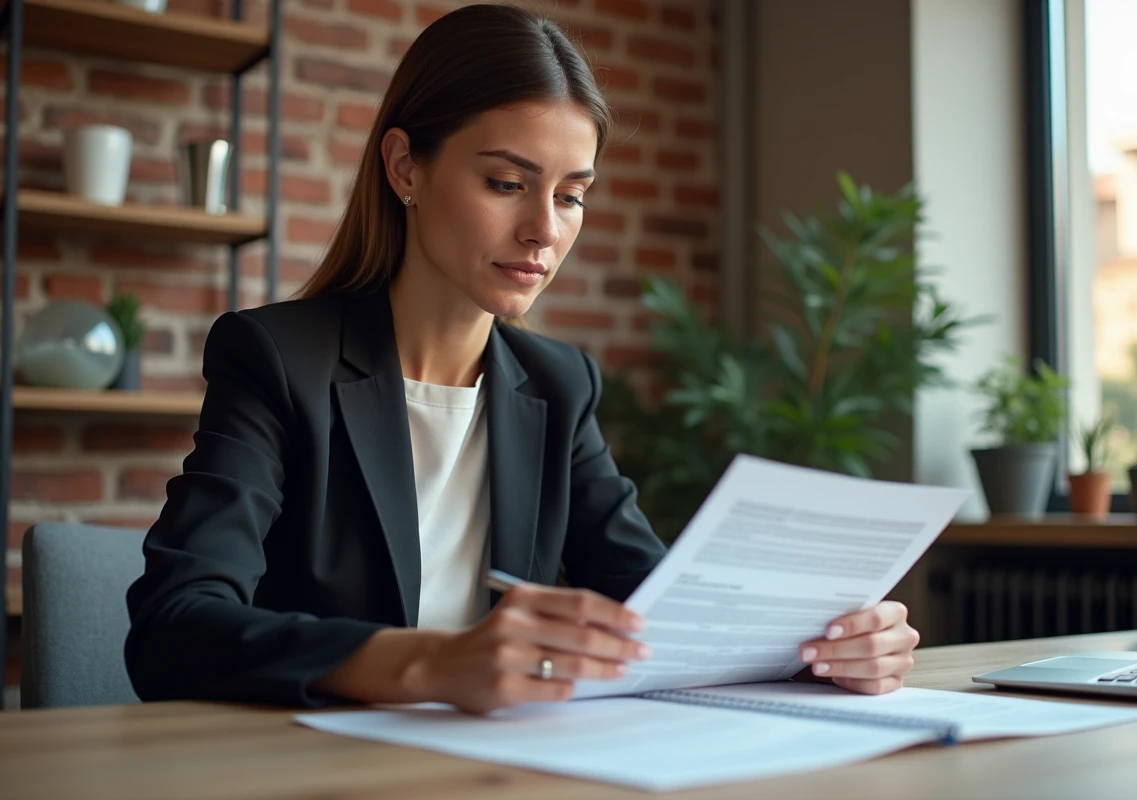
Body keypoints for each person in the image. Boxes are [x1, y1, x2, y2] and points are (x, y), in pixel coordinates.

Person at [124, 3, 920, 714]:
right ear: (405, 167)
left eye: (571, 195)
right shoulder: (276, 358)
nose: (545, 228)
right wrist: (433, 663)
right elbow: (175, 625)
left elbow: (662, 615)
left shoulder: (557, 385)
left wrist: (825, 646)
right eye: (508, 182)